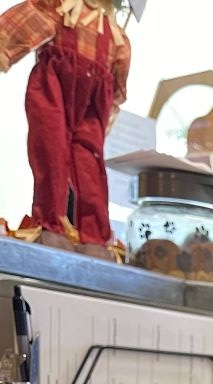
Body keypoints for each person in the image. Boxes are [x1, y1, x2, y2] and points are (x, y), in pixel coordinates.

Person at [0, 0, 131, 249]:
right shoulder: (59, 7)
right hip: (53, 86)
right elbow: (25, 21)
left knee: (89, 162)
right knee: (51, 149)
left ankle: (94, 236)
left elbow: (116, 85)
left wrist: (108, 112)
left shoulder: (116, 36)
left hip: (93, 100)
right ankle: (50, 225)